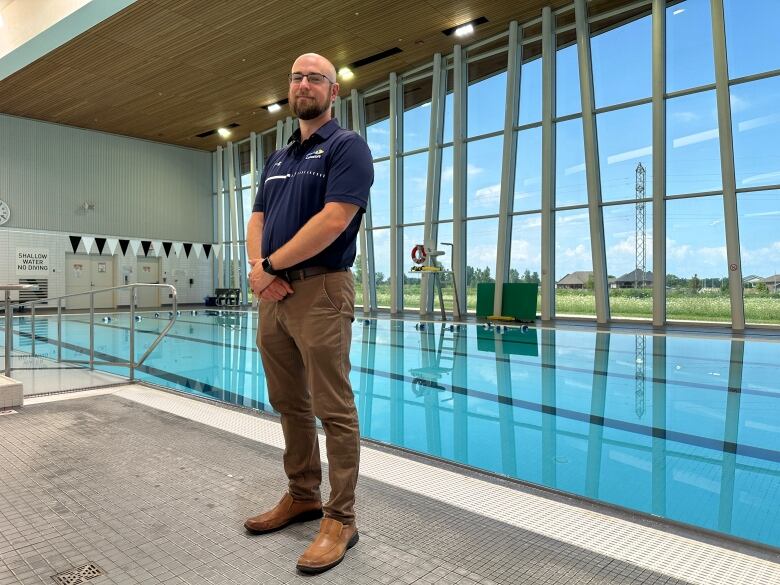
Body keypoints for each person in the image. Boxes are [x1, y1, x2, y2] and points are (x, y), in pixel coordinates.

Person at [243, 53, 373, 575]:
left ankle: (341, 519)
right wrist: (260, 268)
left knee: (332, 407)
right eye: (296, 76)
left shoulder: (347, 147)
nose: (304, 84)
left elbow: (334, 220)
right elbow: (256, 218)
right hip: (273, 294)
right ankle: (302, 495)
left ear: (333, 91)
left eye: (315, 77)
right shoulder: (276, 159)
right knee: (289, 403)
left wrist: (270, 264)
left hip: (321, 291)